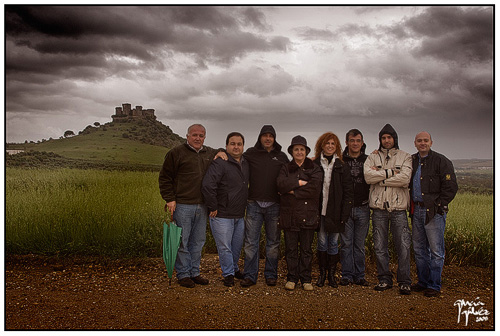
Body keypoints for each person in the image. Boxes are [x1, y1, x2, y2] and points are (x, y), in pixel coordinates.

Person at [159, 124, 220, 288]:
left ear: (205, 137)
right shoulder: (176, 153)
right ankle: (183, 274)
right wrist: (169, 198)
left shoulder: (208, 153)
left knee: (198, 241)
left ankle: (194, 272)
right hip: (183, 205)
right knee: (183, 242)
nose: (198, 138)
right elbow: (165, 178)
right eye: (194, 135)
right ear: (187, 136)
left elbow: (221, 151)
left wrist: (221, 152)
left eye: (201, 135)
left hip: (202, 206)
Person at [364, 123, 412, 295]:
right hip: (378, 210)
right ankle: (384, 279)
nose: (386, 140)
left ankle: (405, 281)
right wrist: (392, 172)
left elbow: (405, 179)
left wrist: (381, 177)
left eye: (389, 137)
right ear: (380, 140)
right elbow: (368, 177)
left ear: (394, 139)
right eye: (383, 138)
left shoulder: (405, 156)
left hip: (398, 209)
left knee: (403, 246)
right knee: (379, 246)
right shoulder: (372, 157)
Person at [240, 125, 289, 287]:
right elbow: (234, 155)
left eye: (271, 136)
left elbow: (292, 172)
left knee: (273, 243)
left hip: (274, 205)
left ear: (274, 138)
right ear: (260, 137)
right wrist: (219, 152)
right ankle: (249, 275)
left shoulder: (281, 157)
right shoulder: (250, 154)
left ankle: (270, 274)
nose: (268, 138)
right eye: (265, 135)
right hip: (254, 204)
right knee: (250, 242)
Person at [409, 131, 458, 297]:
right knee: (419, 249)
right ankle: (423, 282)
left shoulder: (441, 161)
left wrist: (439, 206)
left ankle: (434, 285)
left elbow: (451, 187)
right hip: (416, 210)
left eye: (425, 140)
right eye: (419, 141)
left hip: (434, 212)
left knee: (436, 251)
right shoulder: (412, 160)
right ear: (415, 143)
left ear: (431, 142)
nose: (422, 143)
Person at [202, 132, 249, 287]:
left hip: (239, 214)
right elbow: (208, 185)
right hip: (221, 214)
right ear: (227, 145)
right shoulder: (220, 162)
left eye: (239, 144)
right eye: (232, 144)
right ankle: (228, 274)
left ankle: (234, 269)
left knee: (236, 246)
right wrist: (213, 206)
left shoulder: (245, 163)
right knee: (225, 247)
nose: (236, 147)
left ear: (243, 146)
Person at [277, 135, 322, 291]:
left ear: (306, 151)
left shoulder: (314, 168)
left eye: (302, 149)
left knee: (306, 249)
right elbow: (280, 184)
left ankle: (306, 279)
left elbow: (315, 189)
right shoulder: (285, 167)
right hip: (289, 215)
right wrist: (299, 183)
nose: (299, 152)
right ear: (292, 151)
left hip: (308, 214)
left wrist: (293, 192)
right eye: (296, 149)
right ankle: (292, 278)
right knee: (291, 249)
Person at [312, 132, 354, 288]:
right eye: (327, 143)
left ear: (337, 147)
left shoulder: (342, 166)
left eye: (333, 144)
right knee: (322, 243)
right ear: (321, 145)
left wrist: (345, 213)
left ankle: (332, 275)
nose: (330, 146)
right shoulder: (315, 163)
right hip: (320, 211)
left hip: (336, 212)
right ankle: (322, 274)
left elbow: (348, 192)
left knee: (333, 243)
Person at [339, 129, 371, 286]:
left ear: (362, 142)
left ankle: (360, 275)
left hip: (363, 207)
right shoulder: (341, 160)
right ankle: (346, 274)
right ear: (347, 142)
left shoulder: (369, 160)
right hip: (345, 208)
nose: (355, 143)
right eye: (352, 140)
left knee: (359, 245)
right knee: (346, 244)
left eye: (358, 140)